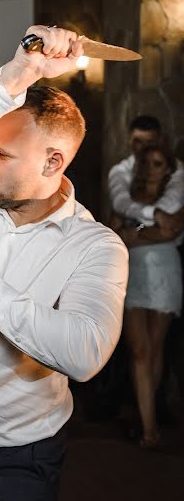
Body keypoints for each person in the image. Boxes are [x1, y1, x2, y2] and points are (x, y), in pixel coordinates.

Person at [0, 25, 129, 500]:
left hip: (16, 459)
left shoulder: (97, 247)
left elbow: (84, 353)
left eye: (1, 154)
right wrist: (19, 73)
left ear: (53, 163)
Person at [110, 143, 183, 448]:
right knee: (139, 351)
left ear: (168, 169)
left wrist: (134, 235)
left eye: (158, 164)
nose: (152, 168)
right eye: (147, 163)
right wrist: (148, 233)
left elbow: (172, 232)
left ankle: (147, 416)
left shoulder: (175, 199)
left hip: (165, 273)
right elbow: (115, 234)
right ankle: (149, 428)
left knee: (155, 348)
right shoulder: (127, 199)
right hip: (133, 274)